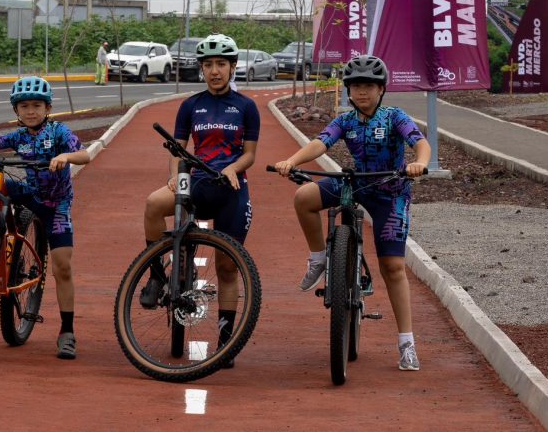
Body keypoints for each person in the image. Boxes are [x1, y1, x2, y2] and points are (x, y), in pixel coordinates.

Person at [273, 55, 431, 372]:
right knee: (304, 196)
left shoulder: (394, 117)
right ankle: (319, 257)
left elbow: (420, 143)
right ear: (348, 90)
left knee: (393, 267)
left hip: (391, 192)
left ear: (381, 89)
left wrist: (420, 163)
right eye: (356, 86)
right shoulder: (345, 121)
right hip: (357, 184)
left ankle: (407, 344)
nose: (362, 92)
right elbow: (320, 143)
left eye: (369, 86)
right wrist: (292, 160)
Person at [0, 76, 90, 360]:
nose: (30, 111)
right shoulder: (19, 136)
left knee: (63, 267)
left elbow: (85, 155)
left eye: (36, 105)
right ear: (16, 110)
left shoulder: (59, 132)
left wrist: (66, 158)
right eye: (24, 106)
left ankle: (67, 332)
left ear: (47, 108)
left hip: (56, 205)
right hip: (30, 191)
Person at [141, 33, 260, 368]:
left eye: (221, 64)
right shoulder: (190, 105)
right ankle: (156, 275)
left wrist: (234, 168)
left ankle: (226, 341)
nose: (214, 71)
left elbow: (250, 154)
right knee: (153, 204)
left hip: (232, 190)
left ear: (233, 67)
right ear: (202, 69)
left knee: (226, 266)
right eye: (208, 65)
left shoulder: (246, 107)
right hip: (196, 183)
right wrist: (173, 177)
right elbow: (177, 149)